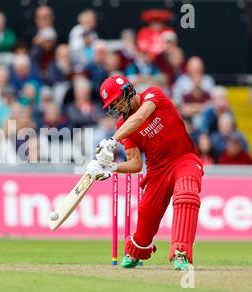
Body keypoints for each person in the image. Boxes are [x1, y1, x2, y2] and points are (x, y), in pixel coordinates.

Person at [86, 75, 204, 271]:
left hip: (184, 158)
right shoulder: (122, 126)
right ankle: (137, 250)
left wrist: (113, 140)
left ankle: (180, 253)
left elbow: (140, 117)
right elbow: (134, 164)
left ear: (128, 91)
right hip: (157, 171)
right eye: (112, 104)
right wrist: (110, 167)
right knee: (146, 212)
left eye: (117, 101)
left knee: (186, 194)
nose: (116, 108)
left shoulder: (153, 94)